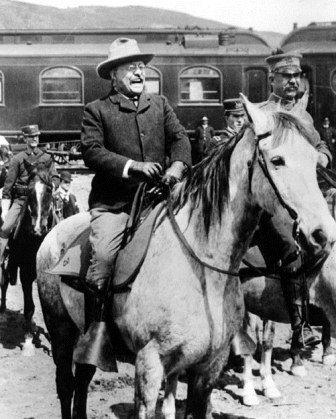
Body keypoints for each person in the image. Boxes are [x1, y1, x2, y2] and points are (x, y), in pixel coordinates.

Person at [79, 37, 191, 363]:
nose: (138, 71)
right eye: (130, 67)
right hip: (115, 205)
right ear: (113, 74)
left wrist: (176, 167)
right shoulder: (97, 110)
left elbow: (180, 138)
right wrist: (133, 167)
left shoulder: (160, 105)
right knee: (101, 258)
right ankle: (96, 339)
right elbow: (92, 151)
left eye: (141, 66)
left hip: (159, 199)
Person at [253, 52, 331, 350]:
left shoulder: (303, 114)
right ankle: (301, 327)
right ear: (271, 78)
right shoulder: (262, 113)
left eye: (296, 76)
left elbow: (319, 143)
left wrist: (322, 155)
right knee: (291, 244)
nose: (292, 81)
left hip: (303, 195)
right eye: (286, 76)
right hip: (272, 200)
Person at [0, 125, 57, 265]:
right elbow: (8, 186)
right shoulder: (17, 159)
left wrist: (51, 185)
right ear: (25, 138)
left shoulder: (47, 157)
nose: (34, 139)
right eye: (31, 136)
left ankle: (61, 258)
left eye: (36, 136)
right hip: (21, 200)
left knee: (59, 225)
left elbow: (55, 177)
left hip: (42, 201)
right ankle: (2, 257)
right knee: (5, 227)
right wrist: (5, 209)